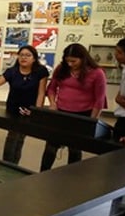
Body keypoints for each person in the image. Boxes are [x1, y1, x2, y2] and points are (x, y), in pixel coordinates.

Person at [0, 45, 49, 165]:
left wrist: (37, 111)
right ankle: (7, 163)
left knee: (20, 138)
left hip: (29, 110)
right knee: (12, 136)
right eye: (21, 55)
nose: (24, 58)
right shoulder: (12, 72)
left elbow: (41, 93)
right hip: (13, 108)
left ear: (34, 58)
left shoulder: (40, 72)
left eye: (28, 55)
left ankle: (14, 164)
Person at [40, 43, 107, 171]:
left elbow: (99, 99)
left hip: (82, 114)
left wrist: (92, 121)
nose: (70, 64)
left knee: (75, 148)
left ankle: (73, 175)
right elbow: (52, 88)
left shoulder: (97, 73)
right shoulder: (62, 69)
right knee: (51, 146)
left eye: (73, 61)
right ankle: (43, 172)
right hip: (61, 112)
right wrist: (53, 103)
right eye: (67, 61)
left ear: (83, 58)